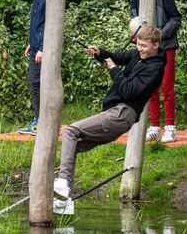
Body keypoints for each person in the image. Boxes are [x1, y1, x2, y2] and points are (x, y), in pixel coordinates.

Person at [53, 25, 166, 215]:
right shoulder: (138, 55)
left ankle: (62, 183)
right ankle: (64, 202)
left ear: (155, 45)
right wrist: (99, 53)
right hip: (116, 113)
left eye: (144, 46)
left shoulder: (155, 69)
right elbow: (116, 57)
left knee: (71, 131)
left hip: (123, 113)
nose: (140, 49)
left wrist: (114, 70)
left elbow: (128, 91)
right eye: (138, 44)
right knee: (73, 144)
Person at [129, 0, 182, 143]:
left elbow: (176, 19)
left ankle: (170, 127)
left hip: (165, 46)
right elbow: (135, 22)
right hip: (146, 50)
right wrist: (135, 36)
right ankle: (154, 127)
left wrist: (159, 36)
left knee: (166, 86)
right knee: (150, 87)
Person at [17, 0, 47, 136]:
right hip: (35, 46)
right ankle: (39, 119)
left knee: (36, 83)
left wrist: (43, 47)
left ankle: (41, 121)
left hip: (43, 48)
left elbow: (50, 24)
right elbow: (37, 24)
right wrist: (32, 43)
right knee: (34, 83)